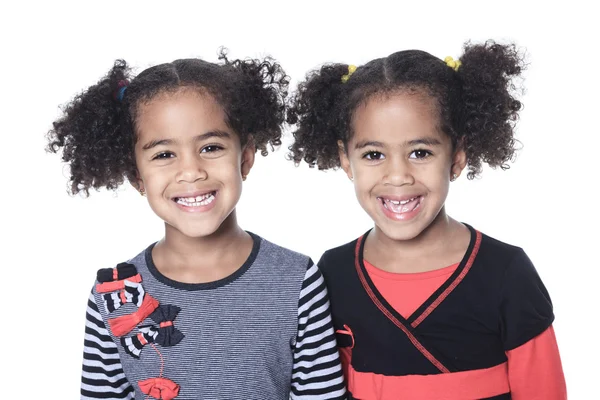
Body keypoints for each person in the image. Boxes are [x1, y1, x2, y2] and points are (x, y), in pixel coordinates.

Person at [48, 51, 345, 400]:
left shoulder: (296, 280)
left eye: (211, 147)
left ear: (245, 158)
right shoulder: (112, 296)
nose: (191, 171)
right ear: (135, 175)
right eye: (163, 154)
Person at [287, 40, 566, 399]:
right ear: (345, 160)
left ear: (458, 155)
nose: (398, 175)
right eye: (373, 154)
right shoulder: (333, 272)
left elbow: (544, 391)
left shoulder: (506, 273)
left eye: (420, 152)